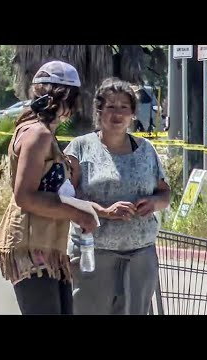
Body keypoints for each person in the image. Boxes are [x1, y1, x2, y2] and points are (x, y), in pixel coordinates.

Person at [0, 60, 98, 315]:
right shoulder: (37, 135)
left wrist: (95, 211)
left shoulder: (44, 134)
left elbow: (53, 193)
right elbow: (25, 196)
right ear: (65, 99)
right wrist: (77, 214)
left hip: (49, 245)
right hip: (31, 244)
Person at [64, 77, 171, 315]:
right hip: (93, 258)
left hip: (140, 259)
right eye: (110, 106)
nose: (117, 113)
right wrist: (103, 212)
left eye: (124, 107)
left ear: (133, 113)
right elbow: (65, 198)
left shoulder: (146, 151)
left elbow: (165, 193)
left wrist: (153, 203)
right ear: (99, 111)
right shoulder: (80, 148)